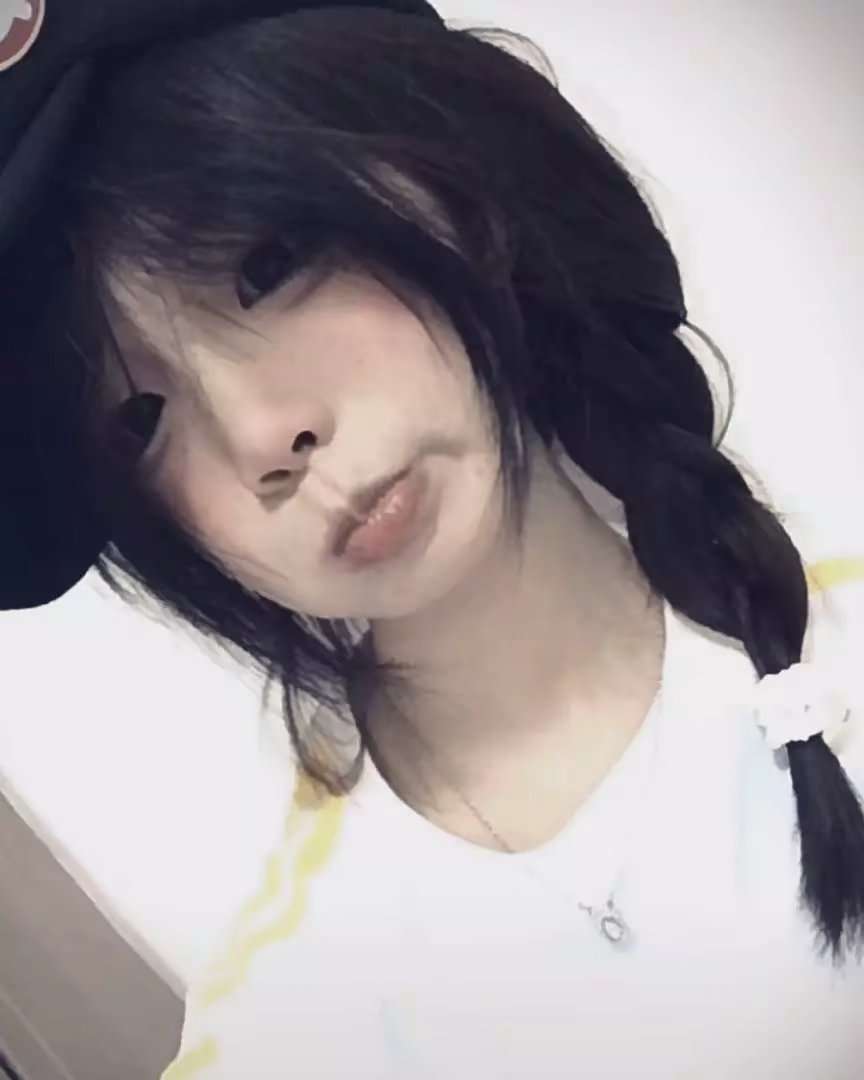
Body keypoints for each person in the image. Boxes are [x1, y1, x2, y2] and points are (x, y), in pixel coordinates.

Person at [1, 3, 863, 1077]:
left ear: (440, 190)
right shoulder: (285, 1027)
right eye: (141, 420)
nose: (263, 435)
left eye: (269, 266)